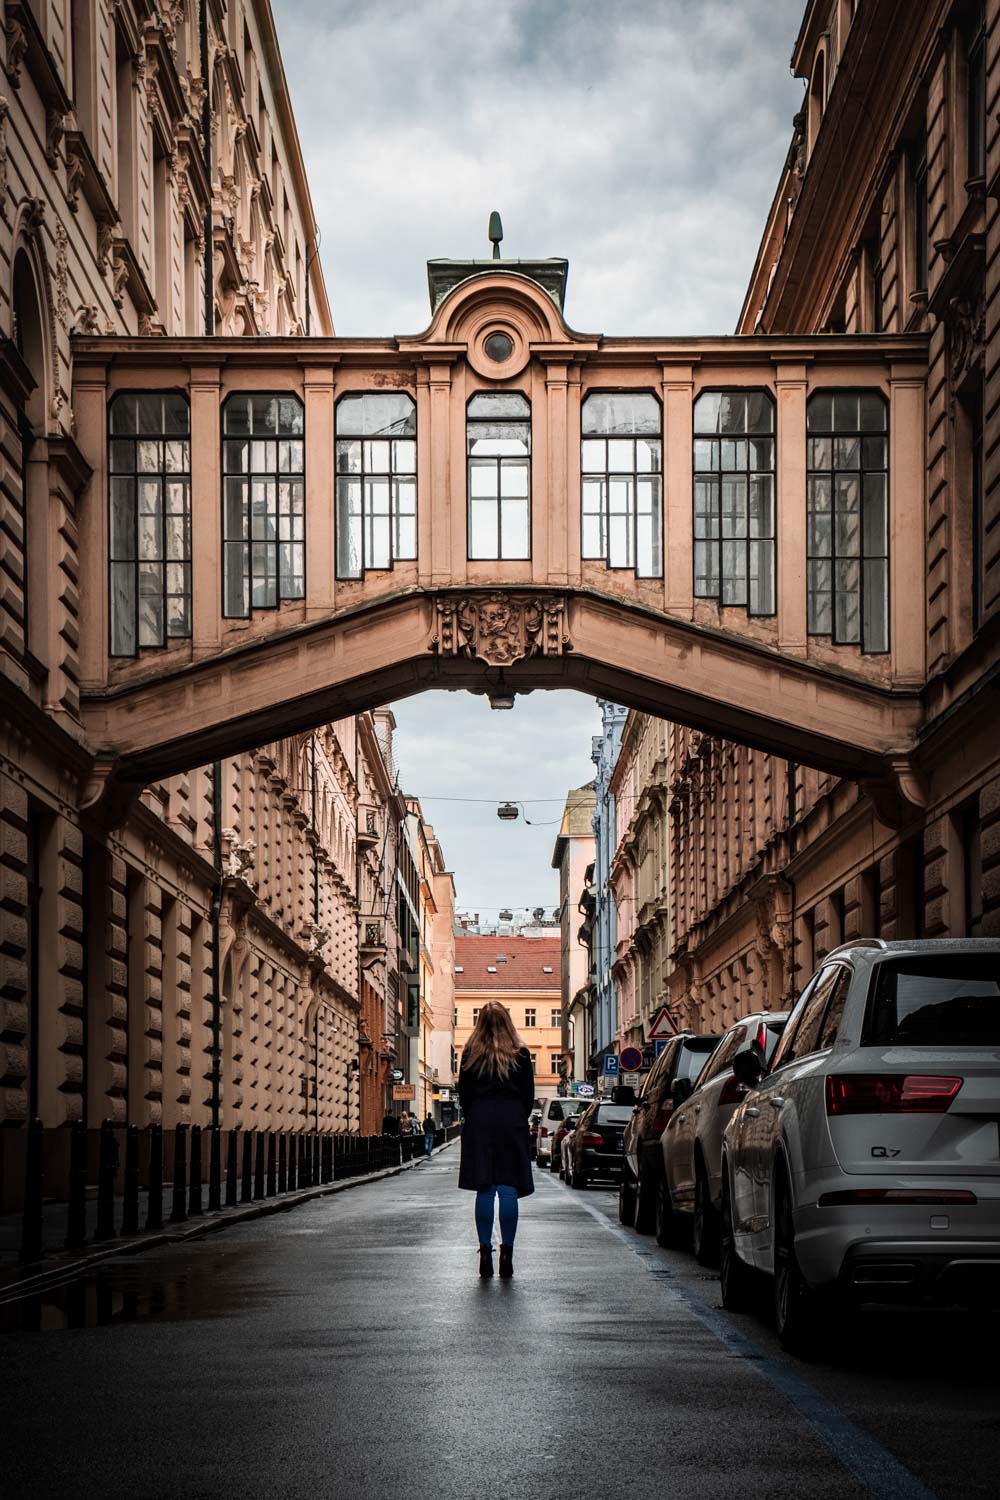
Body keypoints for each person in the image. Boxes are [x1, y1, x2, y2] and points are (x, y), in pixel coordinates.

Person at [457, 1000, 534, 1280]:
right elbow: (528, 1096)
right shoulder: (521, 1055)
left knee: (486, 1188)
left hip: (480, 1120)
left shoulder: (470, 1055)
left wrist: (476, 1115)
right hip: (511, 1120)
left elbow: (463, 1094)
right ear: (508, 1024)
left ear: (480, 1025)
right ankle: (508, 1253)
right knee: (509, 1188)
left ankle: (485, 1252)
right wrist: (516, 1117)